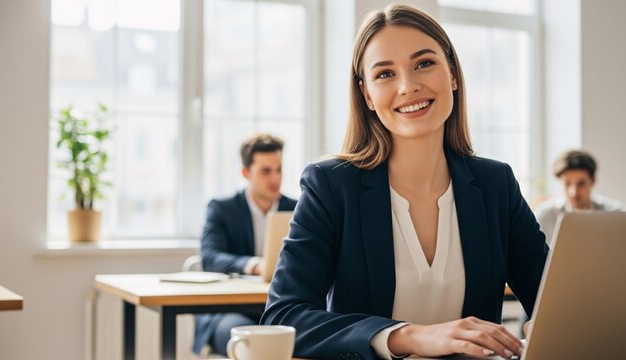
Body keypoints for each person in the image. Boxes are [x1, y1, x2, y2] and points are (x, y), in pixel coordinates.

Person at [260, 4, 548, 360]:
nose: (408, 86)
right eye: (384, 74)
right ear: (367, 95)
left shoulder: (495, 184)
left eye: (424, 64)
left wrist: (549, 324)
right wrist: (408, 336)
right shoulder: (331, 187)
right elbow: (284, 318)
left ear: (453, 74)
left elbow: (553, 300)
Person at [193, 133, 297, 356]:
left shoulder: (299, 209)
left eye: (278, 169)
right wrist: (253, 265)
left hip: (279, 307)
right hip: (230, 309)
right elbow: (210, 257)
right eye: (265, 171)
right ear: (246, 173)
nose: (275, 178)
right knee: (250, 341)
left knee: (306, 336)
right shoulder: (222, 208)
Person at [535, 150, 623, 244]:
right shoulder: (545, 215)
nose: (574, 192)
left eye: (581, 184)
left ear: (593, 181)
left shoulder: (617, 214)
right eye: (567, 184)